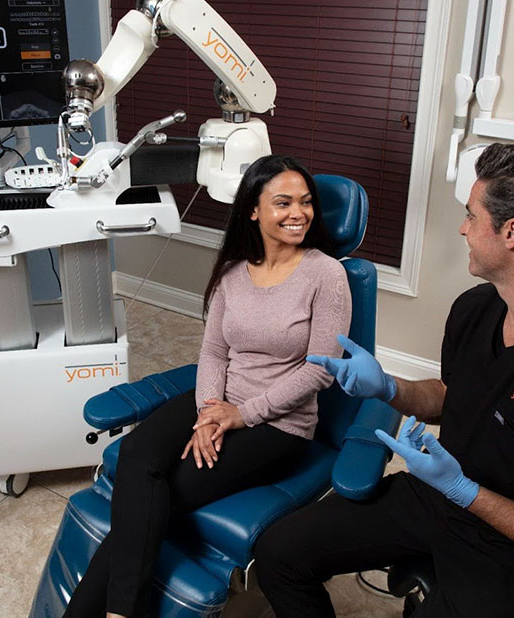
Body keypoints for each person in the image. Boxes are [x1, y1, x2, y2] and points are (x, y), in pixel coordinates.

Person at [253, 141, 514, 617]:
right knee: (279, 554)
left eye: (472, 215)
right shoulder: (477, 308)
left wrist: (467, 492)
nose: (463, 228)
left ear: (512, 232)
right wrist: (389, 387)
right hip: (440, 501)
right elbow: (453, 396)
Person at [64, 154, 352, 618]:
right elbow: (214, 352)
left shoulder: (326, 274)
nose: (299, 213)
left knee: (158, 498)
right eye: (283, 203)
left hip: (278, 425)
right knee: (137, 456)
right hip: (219, 402)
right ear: (253, 210)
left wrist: (242, 414)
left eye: (306, 202)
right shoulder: (233, 273)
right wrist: (208, 413)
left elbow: (322, 370)